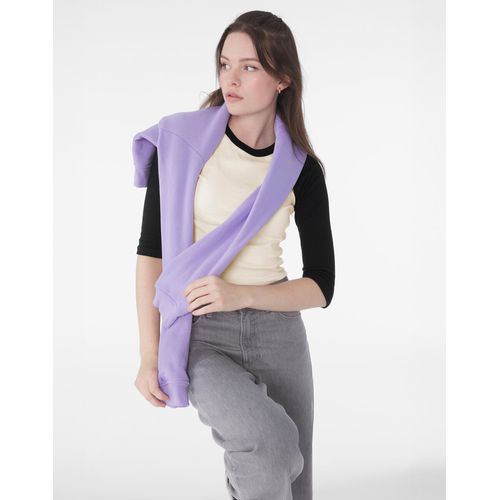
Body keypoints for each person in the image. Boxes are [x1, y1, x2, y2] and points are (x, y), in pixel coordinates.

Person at [134, 10, 335, 500]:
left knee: (296, 485)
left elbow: (321, 286)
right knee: (269, 446)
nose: (231, 78)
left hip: (279, 333)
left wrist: (239, 294)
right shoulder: (179, 142)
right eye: (225, 64)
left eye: (249, 67)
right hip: (202, 332)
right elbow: (151, 255)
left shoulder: (302, 169)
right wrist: (149, 354)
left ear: (282, 79)